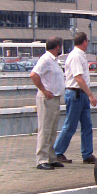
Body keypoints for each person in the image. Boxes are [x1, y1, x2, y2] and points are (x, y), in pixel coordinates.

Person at [53, 32, 97, 164]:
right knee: (70, 125)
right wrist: (91, 95)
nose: (88, 44)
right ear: (84, 42)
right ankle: (57, 151)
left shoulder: (79, 55)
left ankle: (87, 154)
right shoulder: (76, 56)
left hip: (80, 94)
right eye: (87, 41)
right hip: (76, 94)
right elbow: (78, 78)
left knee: (87, 125)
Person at [29, 37, 65, 170]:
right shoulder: (45, 59)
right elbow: (34, 74)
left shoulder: (54, 61)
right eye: (60, 46)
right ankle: (41, 159)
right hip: (47, 98)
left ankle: (50, 157)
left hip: (54, 98)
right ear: (57, 47)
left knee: (52, 129)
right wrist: (43, 90)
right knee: (45, 129)